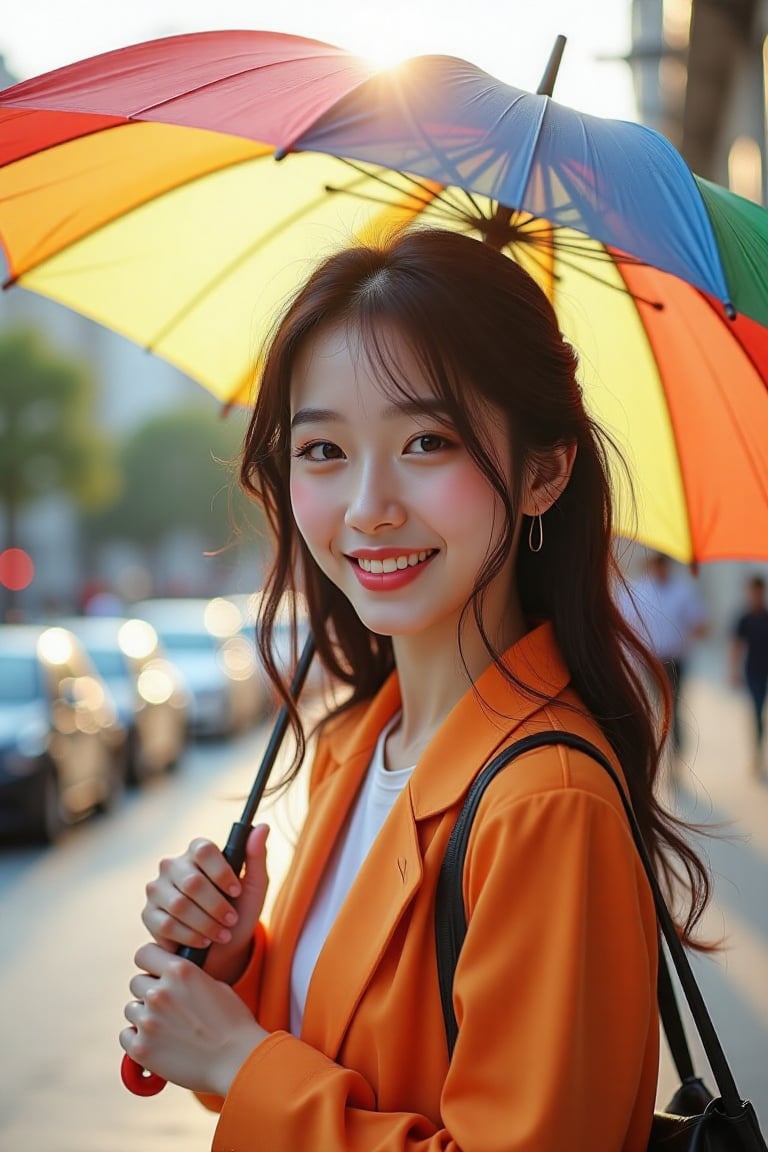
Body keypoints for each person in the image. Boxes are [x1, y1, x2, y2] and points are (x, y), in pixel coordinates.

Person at [120, 228, 711, 1152]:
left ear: (544, 472)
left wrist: (239, 1064)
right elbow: (330, 1058)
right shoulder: (356, 746)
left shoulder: (546, 808)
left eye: (427, 441)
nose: (367, 505)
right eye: (322, 451)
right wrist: (233, 967)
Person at [618, 551, 708, 756]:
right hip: (650, 660)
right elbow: (626, 623)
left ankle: (675, 750)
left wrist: (690, 632)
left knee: (674, 705)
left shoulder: (682, 590)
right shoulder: (639, 590)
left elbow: (701, 623)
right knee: (655, 704)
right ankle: (658, 747)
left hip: (675, 659)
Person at [729, 574, 768, 776]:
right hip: (753, 671)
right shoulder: (744, 619)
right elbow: (736, 646)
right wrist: (733, 671)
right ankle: (757, 755)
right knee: (757, 713)